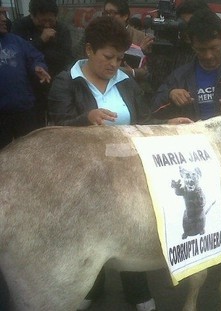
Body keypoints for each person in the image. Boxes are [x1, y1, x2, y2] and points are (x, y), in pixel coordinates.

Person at [48, 16, 156, 311]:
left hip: (127, 171)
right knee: (88, 234)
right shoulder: (67, 80)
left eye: (120, 58)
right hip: (83, 174)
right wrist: (87, 119)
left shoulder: (126, 81)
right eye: (108, 57)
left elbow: (143, 121)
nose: (114, 65)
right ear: (89, 50)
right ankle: (91, 286)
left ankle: (137, 288)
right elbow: (55, 131)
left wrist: (166, 125)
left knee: (131, 229)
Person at [11, 0, 73, 127]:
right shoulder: (20, 27)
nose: (47, 25)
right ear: (32, 16)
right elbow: (17, 55)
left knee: (58, 123)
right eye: (42, 20)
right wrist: (41, 40)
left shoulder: (62, 29)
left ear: (56, 16)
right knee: (33, 126)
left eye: (50, 20)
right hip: (30, 86)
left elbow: (66, 57)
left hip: (56, 81)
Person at [0, 3, 51, 150]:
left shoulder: (15, 41)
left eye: (4, 14)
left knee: (32, 150)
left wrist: (38, 66)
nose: (4, 19)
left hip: (24, 110)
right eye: (0, 14)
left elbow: (35, 56)